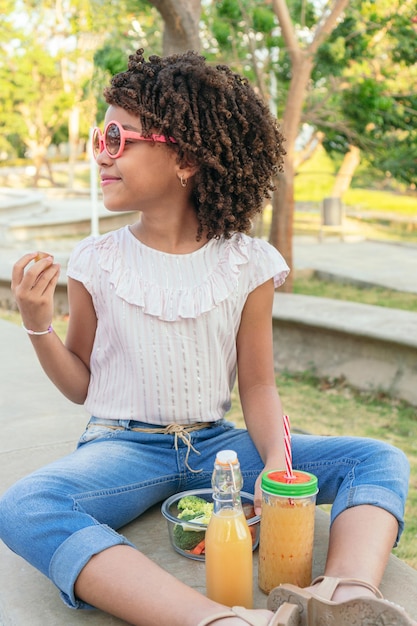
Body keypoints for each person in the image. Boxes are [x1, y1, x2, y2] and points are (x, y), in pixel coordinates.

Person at [0, 48, 413, 626]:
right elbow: (80, 386)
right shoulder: (95, 261)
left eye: (118, 140)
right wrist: (38, 322)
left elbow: (260, 384)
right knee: (26, 505)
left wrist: (275, 464)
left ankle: (344, 595)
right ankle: (220, 621)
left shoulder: (247, 263)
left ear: (187, 159)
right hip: (122, 447)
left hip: (219, 450)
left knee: (378, 459)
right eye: (101, 138)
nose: (101, 155)